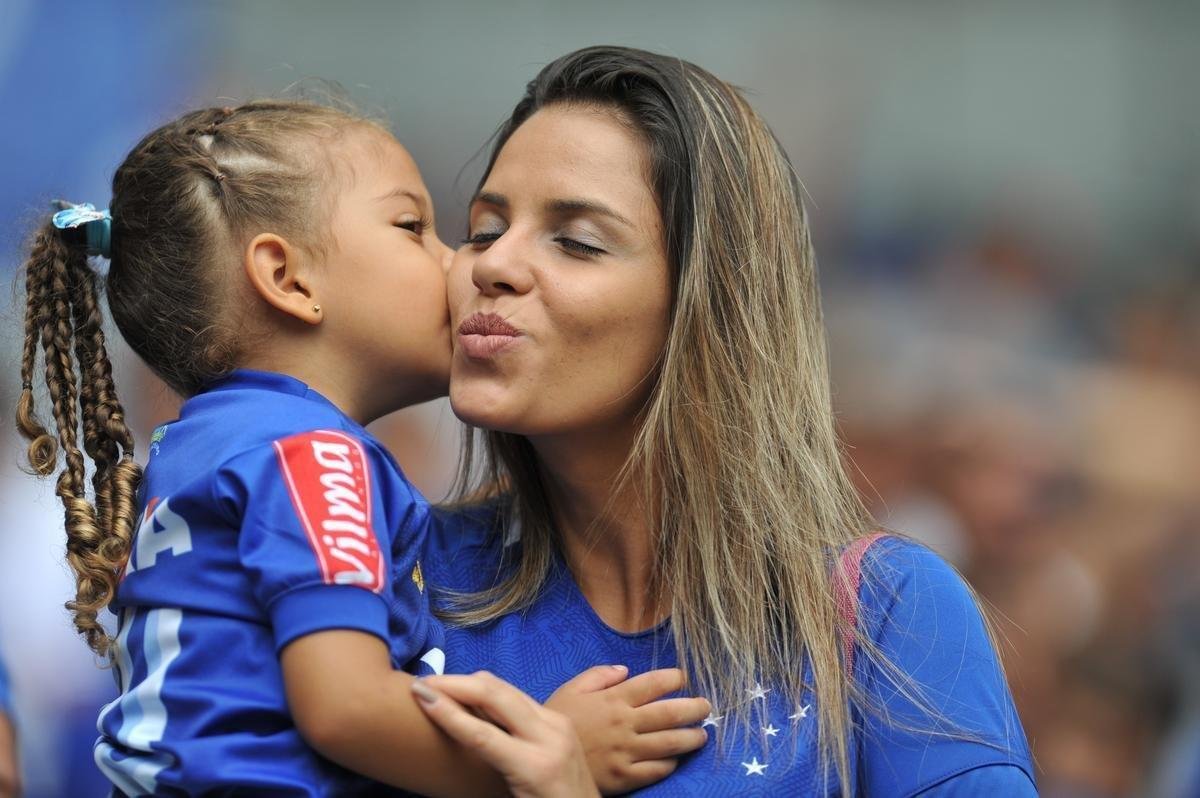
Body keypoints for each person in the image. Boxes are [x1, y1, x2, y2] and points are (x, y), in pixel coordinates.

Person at [15, 100, 703, 796]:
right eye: (414, 228)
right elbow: (344, 707)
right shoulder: (313, 455)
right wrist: (546, 753)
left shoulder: (204, 442)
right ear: (289, 279)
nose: (461, 263)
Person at [415, 46, 1039, 795]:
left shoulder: (889, 616)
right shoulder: (398, 578)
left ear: (710, 308)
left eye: (577, 241)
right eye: (483, 229)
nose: (491, 265)